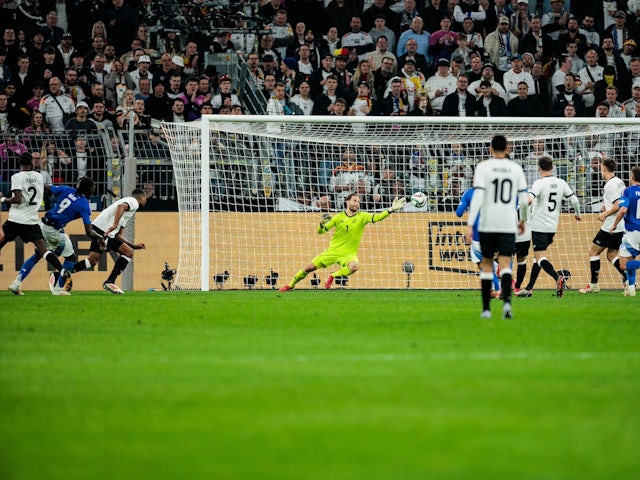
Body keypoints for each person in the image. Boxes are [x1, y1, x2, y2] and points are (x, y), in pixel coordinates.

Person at [279, 194, 406, 291]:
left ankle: (333, 275)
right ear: (347, 202)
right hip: (332, 251)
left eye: (358, 202)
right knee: (308, 268)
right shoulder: (338, 217)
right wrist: (320, 224)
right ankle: (290, 285)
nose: (357, 203)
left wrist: (391, 209)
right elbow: (321, 232)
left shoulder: (362, 217)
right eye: (355, 200)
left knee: (355, 266)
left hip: (348, 254)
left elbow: (377, 217)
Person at [465, 134, 528, 319]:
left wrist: (470, 224)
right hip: (508, 224)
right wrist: (522, 220)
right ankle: (507, 305)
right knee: (506, 263)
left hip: (487, 224)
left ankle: (486, 309)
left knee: (486, 264)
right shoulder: (515, 168)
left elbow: (477, 198)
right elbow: (523, 200)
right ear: (507, 149)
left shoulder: (483, 167)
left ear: (490, 149)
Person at [9, 177, 106, 295]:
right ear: (91, 189)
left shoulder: (67, 189)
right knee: (70, 258)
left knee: (38, 255)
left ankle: (16, 283)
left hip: (42, 224)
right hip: (52, 230)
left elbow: (47, 188)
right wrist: (100, 238)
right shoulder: (84, 204)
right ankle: (58, 288)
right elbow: (89, 231)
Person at [0, 153, 70, 294]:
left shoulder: (17, 177)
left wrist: (2, 199)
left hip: (15, 220)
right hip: (31, 221)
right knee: (43, 250)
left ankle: (17, 284)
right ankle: (62, 270)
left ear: (19, 163)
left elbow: (17, 199)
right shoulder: (39, 176)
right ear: (32, 162)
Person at [520, 156, 581, 297]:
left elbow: (528, 200)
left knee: (540, 258)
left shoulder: (539, 183)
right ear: (552, 167)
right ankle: (529, 288)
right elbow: (575, 200)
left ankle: (557, 277)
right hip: (552, 227)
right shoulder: (561, 182)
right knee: (538, 258)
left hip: (538, 226)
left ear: (539, 168)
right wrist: (577, 214)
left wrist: (523, 218)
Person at [72, 188, 147, 294]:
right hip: (103, 230)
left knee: (92, 260)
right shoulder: (133, 202)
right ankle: (110, 281)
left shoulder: (127, 212)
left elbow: (118, 235)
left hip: (101, 229)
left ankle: (63, 273)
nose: (145, 201)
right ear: (141, 197)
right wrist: (115, 224)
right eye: (145, 198)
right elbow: (121, 206)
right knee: (127, 253)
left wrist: (134, 246)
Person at [578, 158, 627, 294]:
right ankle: (628, 279)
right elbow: (620, 200)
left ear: (604, 168)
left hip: (612, 225)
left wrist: (605, 213)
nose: (600, 170)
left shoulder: (609, 185)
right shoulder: (619, 182)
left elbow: (618, 204)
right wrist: (607, 205)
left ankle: (593, 285)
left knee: (593, 251)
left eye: (600, 167)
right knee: (611, 255)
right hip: (621, 225)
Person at [609, 166, 640, 297]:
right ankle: (631, 289)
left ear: (632, 177)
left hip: (633, 232)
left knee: (624, 264)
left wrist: (614, 224)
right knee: (630, 260)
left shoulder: (628, 191)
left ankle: (631, 287)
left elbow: (622, 210)